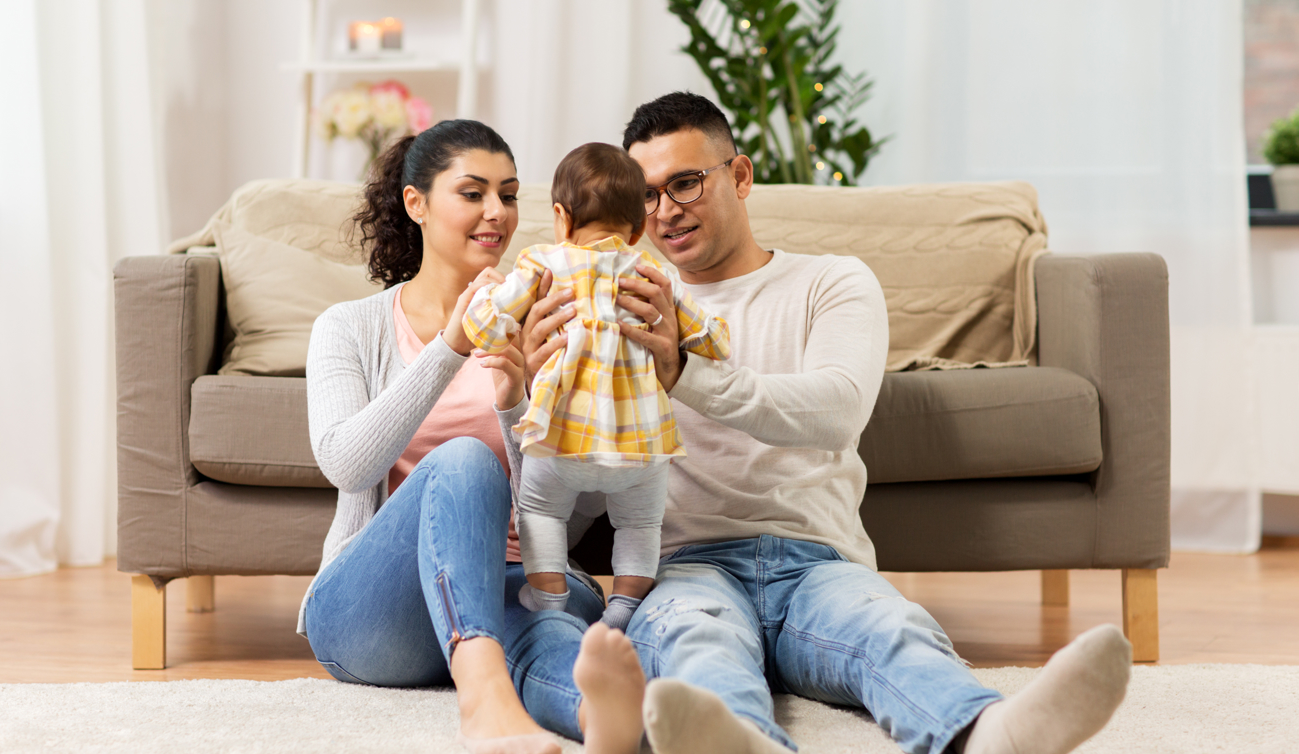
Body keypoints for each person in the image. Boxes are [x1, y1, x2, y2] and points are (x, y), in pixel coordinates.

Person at [513, 93, 1133, 754]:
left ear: (741, 176)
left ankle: (987, 732)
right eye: (647, 196)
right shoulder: (616, 302)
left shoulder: (831, 282)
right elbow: (573, 486)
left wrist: (684, 373)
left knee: (886, 627)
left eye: (685, 183)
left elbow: (836, 411)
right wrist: (528, 394)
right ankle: (744, 743)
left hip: (818, 559)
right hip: (688, 564)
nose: (665, 211)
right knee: (692, 643)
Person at [300, 120, 648, 754]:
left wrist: (527, 401)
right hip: (377, 614)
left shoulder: (548, 319)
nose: (497, 213)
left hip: (513, 584)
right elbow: (347, 465)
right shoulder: (348, 328)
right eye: (473, 193)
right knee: (461, 459)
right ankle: (484, 704)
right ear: (417, 204)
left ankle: (624, 728)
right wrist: (449, 348)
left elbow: (581, 513)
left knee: (557, 643)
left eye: (510, 195)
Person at [463, 142, 730, 631]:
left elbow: (484, 323)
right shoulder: (654, 275)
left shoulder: (542, 263)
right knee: (640, 524)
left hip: (564, 437)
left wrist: (485, 299)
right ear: (636, 228)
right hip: (641, 444)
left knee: (541, 513)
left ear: (562, 217)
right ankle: (624, 607)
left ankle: (548, 597)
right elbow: (713, 337)